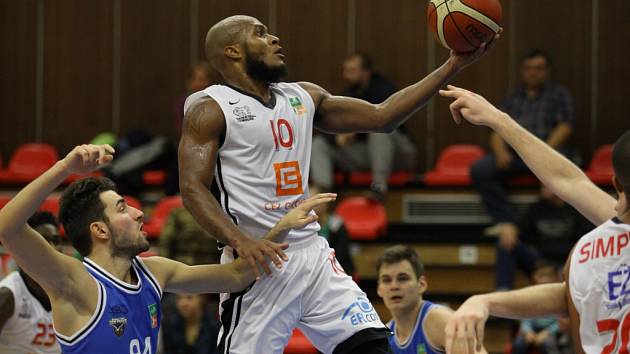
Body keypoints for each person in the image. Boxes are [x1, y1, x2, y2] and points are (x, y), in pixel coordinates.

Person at [179, 15, 497, 354]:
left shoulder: (304, 97)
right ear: (232, 51)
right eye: (260, 33)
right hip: (260, 262)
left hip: (313, 256)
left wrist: (452, 65)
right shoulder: (210, 108)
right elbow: (192, 188)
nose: (274, 38)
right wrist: (241, 241)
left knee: (373, 347)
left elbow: (382, 116)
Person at [0, 143, 336, 354]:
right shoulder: (75, 281)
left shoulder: (154, 271)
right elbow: (7, 227)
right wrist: (64, 169)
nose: (138, 212)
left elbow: (237, 275)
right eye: (122, 208)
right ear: (99, 230)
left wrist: (284, 226)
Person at [438, 85, 627, 354]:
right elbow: (568, 181)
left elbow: (570, 181)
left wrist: (497, 118)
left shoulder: (588, 252)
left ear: (618, 185)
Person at [470, 49, 574, 228]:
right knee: (481, 170)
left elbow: (565, 127)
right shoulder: (513, 96)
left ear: (547, 71)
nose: (533, 72)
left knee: (564, 173)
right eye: (528, 68)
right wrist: (500, 151)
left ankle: (537, 230)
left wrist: (542, 152)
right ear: (522, 70)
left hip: (548, 153)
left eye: (538, 68)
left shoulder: (558, 95)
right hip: (515, 154)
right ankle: (506, 222)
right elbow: (496, 126)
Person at [310, 54, 416, 200]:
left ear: (365, 72)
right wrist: (337, 138)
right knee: (319, 144)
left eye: (352, 70)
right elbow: (327, 124)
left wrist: (355, 130)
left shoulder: (384, 89)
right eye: (345, 70)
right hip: (367, 154)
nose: (346, 75)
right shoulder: (347, 94)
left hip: (398, 153)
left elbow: (384, 121)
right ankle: (321, 194)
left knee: (379, 132)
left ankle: (379, 187)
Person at [376, 245, 486, 354]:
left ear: (421, 284)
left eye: (403, 278)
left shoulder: (442, 321)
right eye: (386, 280)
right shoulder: (386, 336)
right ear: (379, 289)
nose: (394, 286)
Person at [495, 185, 592, 290]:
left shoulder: (577, 209)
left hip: (568, 259)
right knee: (506, 242)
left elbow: (585, 240)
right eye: (542, 185)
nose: (542, 189)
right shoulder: (537, 208)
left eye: (546, 185)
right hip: (540, 258)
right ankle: (502, 289)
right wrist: (511, 228)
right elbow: (522, 232)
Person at [0, 211, 62, 353]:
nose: (51, 247)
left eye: (56, 240)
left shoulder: (71, 291)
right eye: (44, 240)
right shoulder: (8, 295)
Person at [510, 260, 567, 354]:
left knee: (548, 344)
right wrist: (528, 331)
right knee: (518, 344)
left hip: (551, 330)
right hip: (532, 329)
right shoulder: (529, 293)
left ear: (556, 277)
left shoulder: (559, 295)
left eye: (548, 275)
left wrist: (547, 332)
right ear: (535, 277)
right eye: (541, 275)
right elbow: (524, 317)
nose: (544, 279)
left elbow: (561, 321)